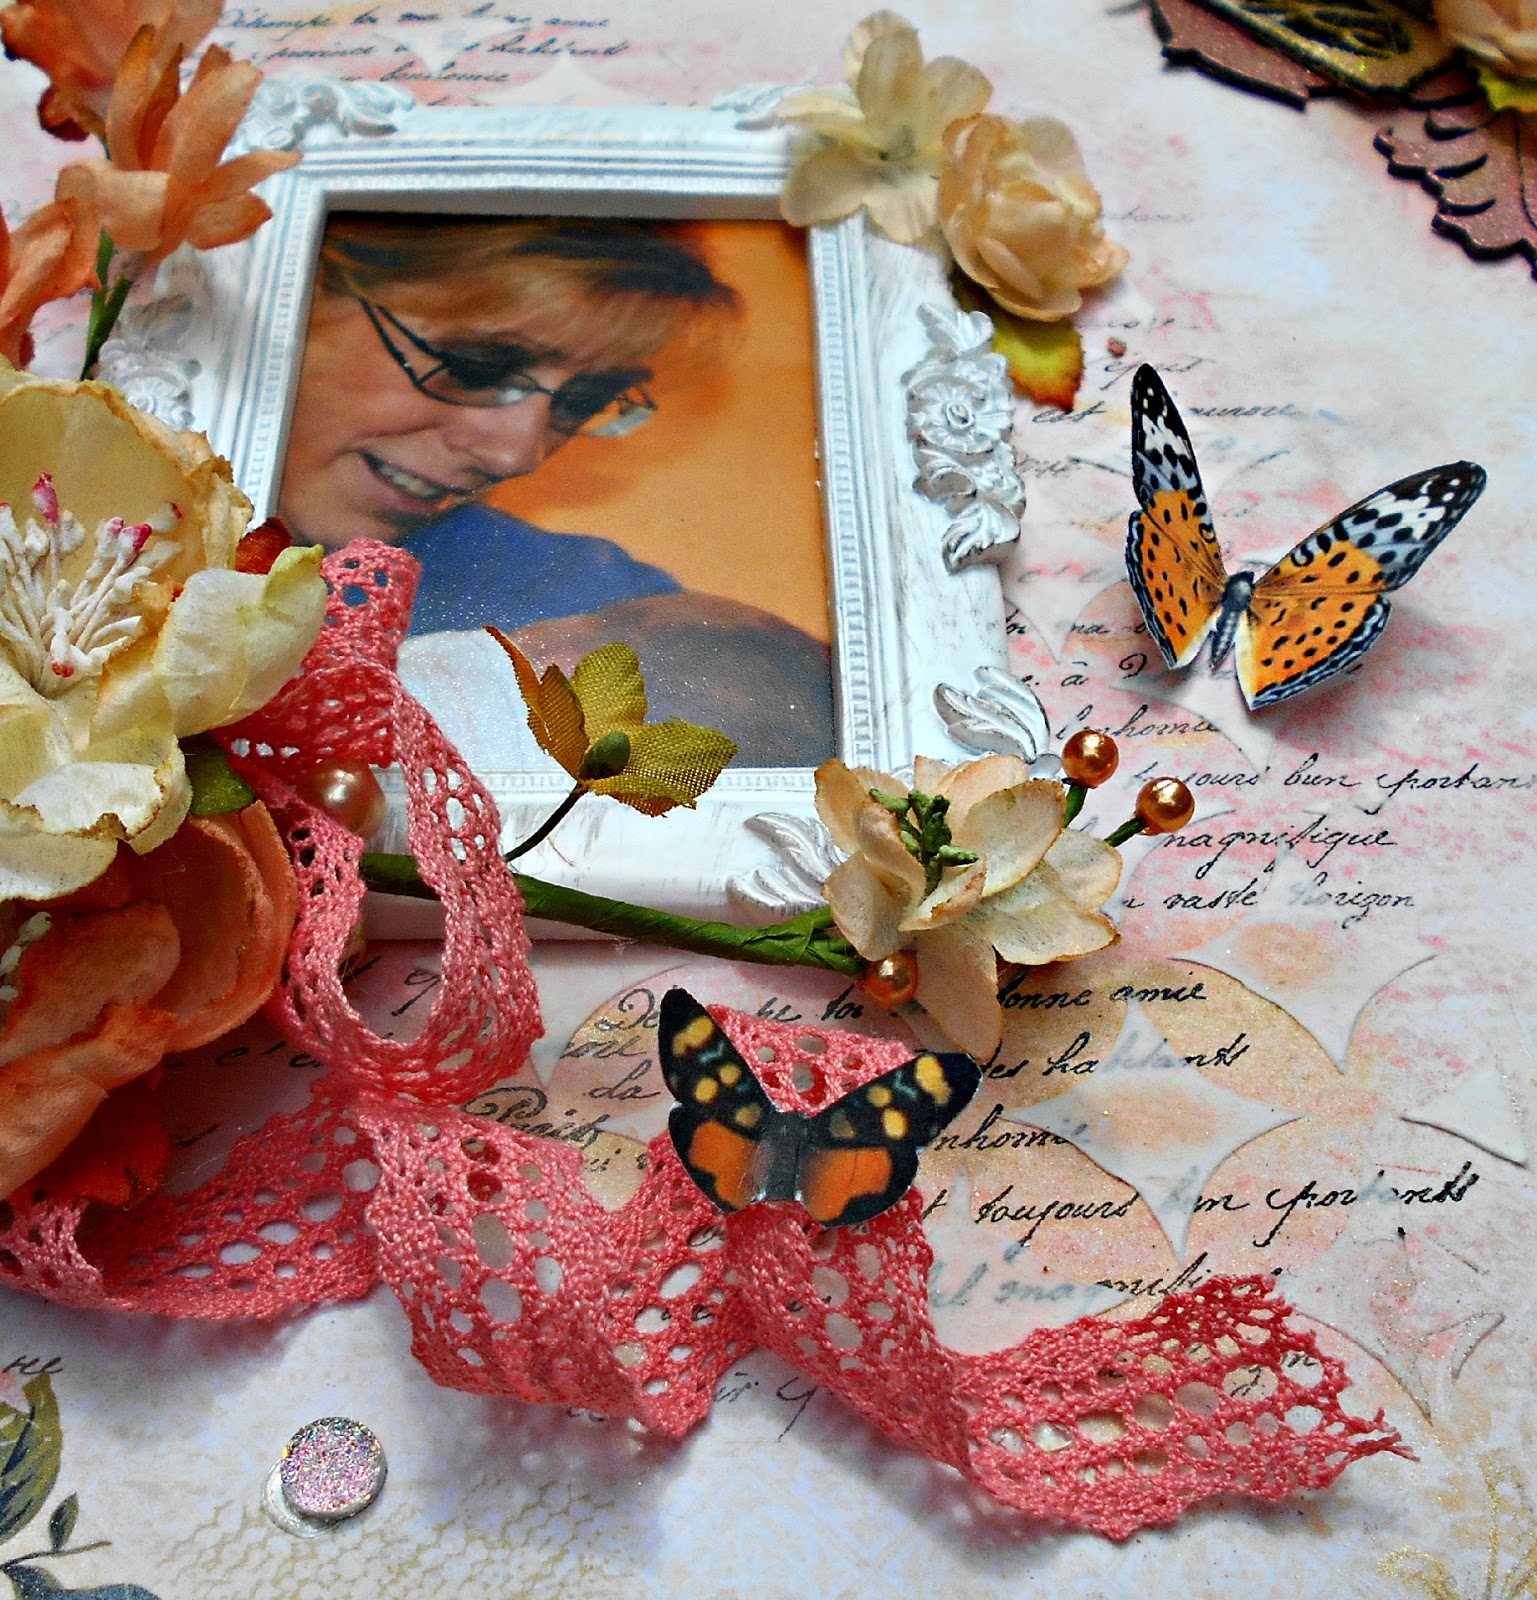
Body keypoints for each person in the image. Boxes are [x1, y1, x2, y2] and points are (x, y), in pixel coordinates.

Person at [279, 213, 835, 766]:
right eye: (476, 367)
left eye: (582, 401)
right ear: (295, 298)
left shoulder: (608, 618)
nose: (519, 455)